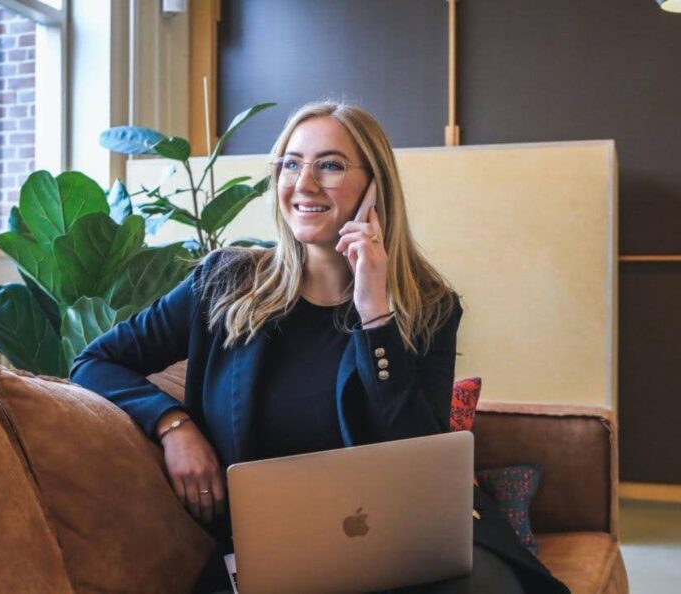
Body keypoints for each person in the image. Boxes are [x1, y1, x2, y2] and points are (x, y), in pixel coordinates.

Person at [70, 101, 570, 594]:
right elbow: (94, 361)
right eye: (291, 163)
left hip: (405, 545)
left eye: (329, 165)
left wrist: (376, 316)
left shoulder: (429, 307)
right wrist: (173, 425)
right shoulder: (224, 284)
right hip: (273, 554)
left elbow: (420, 459)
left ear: (375, 187)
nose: (303, 183)